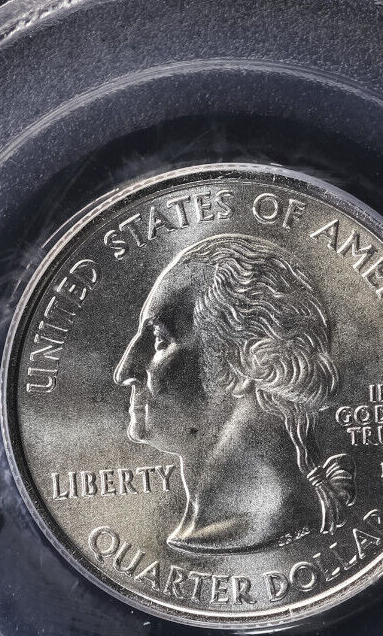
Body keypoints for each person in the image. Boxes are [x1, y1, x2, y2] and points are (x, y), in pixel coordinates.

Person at [113, 234, 354, 553]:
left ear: (247, 361)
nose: (124, 372)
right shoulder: (207, 530)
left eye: (160, 341)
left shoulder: (267, 525)